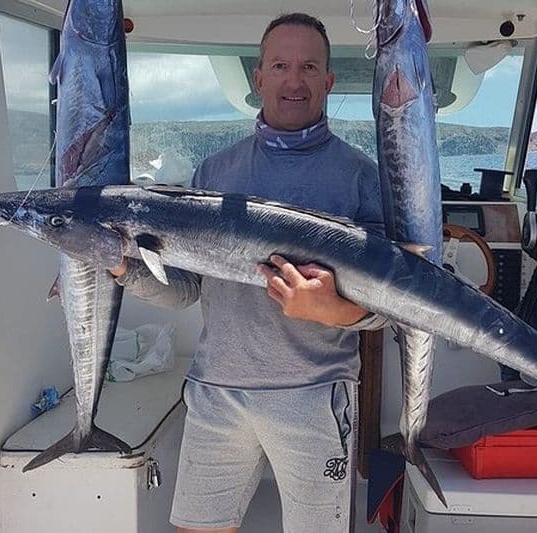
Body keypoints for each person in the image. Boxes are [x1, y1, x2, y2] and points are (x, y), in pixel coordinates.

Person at [110, 13, 386, 533]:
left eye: (309, 66)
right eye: (280, 65)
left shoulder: (360, 179)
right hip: (217, 392)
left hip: (315, 395)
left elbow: (388, 307)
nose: (294, 80)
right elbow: (186, 288)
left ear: (328, 81)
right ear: (258, 78)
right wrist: (124, 268)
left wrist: (331, 310)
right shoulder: (214, 173)